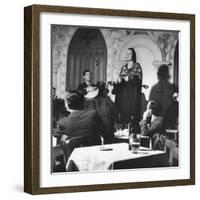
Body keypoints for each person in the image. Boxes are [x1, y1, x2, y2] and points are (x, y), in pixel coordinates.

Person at [112, 48, 142, 132]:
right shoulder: (124, 67)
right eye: (127, 53)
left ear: (133, 55)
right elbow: (121, 78)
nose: (127, 55)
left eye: (130, 53)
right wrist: (119, 80)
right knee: (122, 116)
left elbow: (138, 80)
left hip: (132, 95)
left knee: (132, 118)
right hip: (123, 95)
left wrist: (129, 78)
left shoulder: (136, 66)